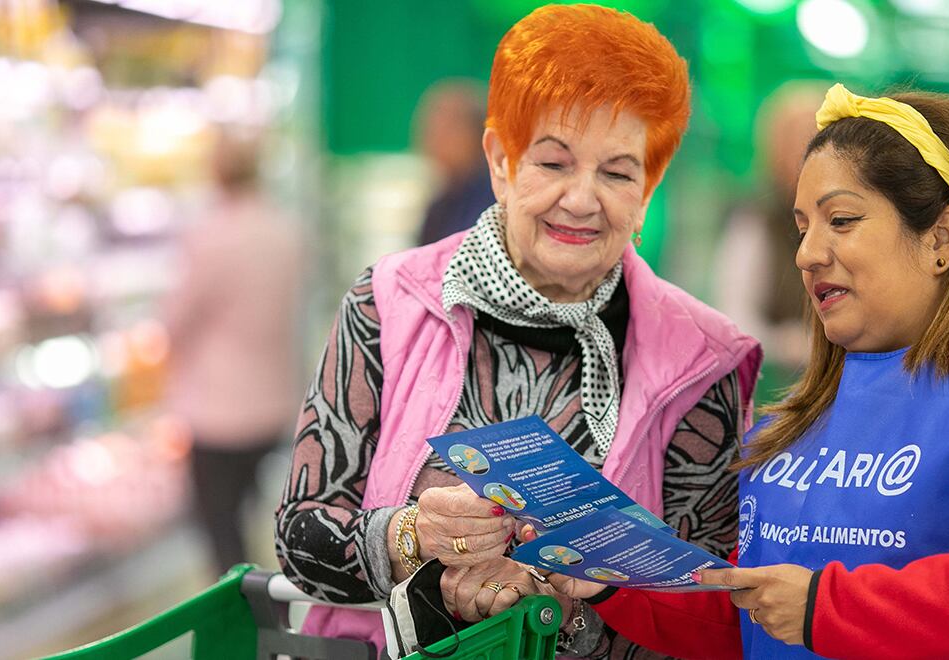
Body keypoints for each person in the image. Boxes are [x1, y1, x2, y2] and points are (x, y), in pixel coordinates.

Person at [532, 84, 949, 659]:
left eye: (842, 220)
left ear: (942, 238)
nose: (806, 253)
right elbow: (754, 618)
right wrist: (613, 577)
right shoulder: (810, 414)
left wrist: (825, 607)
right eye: (802, 227)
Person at [274, 5, 763, 657]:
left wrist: (560, 610)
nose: (582, 199)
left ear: (648, 190)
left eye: (617, 172)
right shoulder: (389, 302)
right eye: (554, 163)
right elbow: (300, 541)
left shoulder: (705, 360)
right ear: (501, 161)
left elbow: (708, 617)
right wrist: (411, 536)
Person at [164, 127, 302, 575]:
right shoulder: (285, 229)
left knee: (222, 534)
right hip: (275, 399)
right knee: (253, 514)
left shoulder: (211, 236)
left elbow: (177, 319)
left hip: (219, 410)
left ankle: (244, 626)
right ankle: (269, 612)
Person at [712, 82, 828, 390]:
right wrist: (790, 344)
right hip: (781, 385)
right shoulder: (756, 219)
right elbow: (734, 318)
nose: (807, 150)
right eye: (796, 137)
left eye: (817, 135)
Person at [414, 79, 496, 245]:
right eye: (431, 128)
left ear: (477, 135)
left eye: (448, 129)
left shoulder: (493, 200)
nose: (436, 139)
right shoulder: (441, 202)